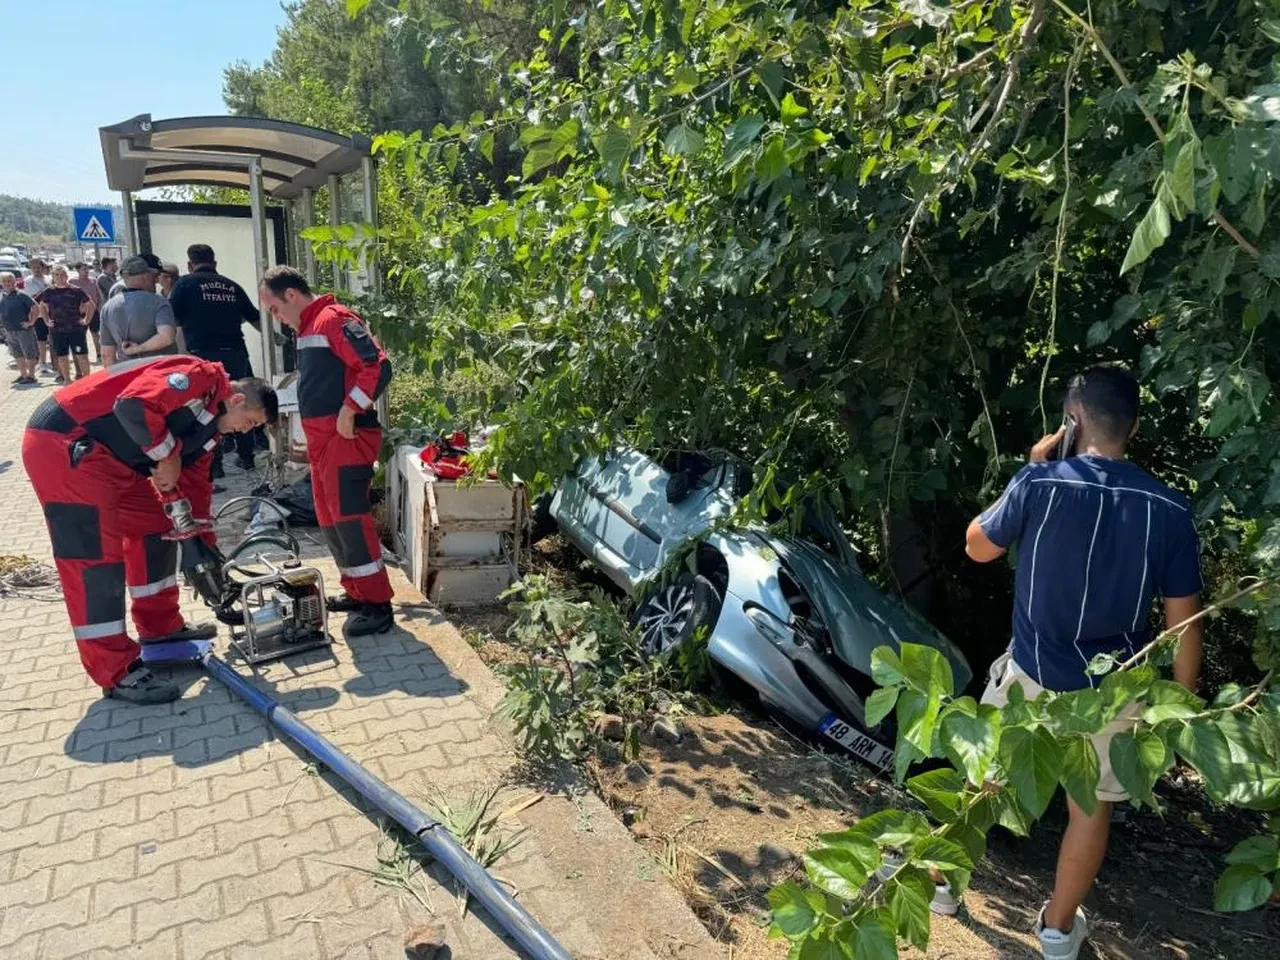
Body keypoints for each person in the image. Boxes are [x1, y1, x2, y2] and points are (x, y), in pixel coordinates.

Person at [965, 366, 1204, 960]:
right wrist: (1177, 715)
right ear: (1136, 427)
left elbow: (976, 546)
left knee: (984, 782)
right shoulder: (1169, 510)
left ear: (1072, 422)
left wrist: (1031, 466)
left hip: (1029, 671)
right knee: (1089, 807)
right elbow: (1185, 626)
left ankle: (942, 883)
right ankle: (1056, 929)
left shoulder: (1040, 483)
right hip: (1113, 689)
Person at [22, 356, 278, 704]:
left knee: (157, 526)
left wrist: (204, 547)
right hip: (66, 443)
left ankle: (160, 628)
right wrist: (168, 454)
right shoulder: (198, 377)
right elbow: (133, 405)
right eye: (249, 422)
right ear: (236, 400)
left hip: (114, 459)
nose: (246, 432)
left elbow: (194, 490)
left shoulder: (209, 432)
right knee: (96, 562)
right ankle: (115, 671)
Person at [258, 266, 395, 636]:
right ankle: (357, 589)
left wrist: (351, 409)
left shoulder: (333, 319)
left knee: (350, 520)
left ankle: (378, 606)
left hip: (345, 441)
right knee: (332, 520)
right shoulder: (310, 328)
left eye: (274, 309)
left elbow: (377, 367)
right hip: (326, 444)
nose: (277, 319)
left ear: (291, 295)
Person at [169, 244, 263, 474]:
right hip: (235, 352)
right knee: (242, 401)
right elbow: (256, 319)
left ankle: (215, 464)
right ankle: (247, 457)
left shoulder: (184, 285)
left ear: (190, 265)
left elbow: (171, 322)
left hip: (202, 357)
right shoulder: (231, 286)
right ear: (215, 263)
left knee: (208, 407)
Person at [98, 256, 178, 366]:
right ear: (146, 276)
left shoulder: (107, 308)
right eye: (154, 277)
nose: (156, 281)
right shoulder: (159, 302)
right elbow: (167, 337)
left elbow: (106, 354)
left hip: (129, 373)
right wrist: (138, 349)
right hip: (160, 370)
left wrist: (114, 380)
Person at [34, 264, 95, 383]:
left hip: (76, 329)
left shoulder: (76, 290)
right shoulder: (49, 291)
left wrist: (86, 320)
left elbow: (90, 305)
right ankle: (67, 380)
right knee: (62, 356)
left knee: (81, 355)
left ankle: (87, 380)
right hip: (58, 330)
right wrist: (46, 320)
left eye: (62, 275)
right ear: (53, 277)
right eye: (56, 275)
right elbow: (40, 305)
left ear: (66, 276)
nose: (60, 277)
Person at [1, 271, 39, 384]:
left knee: (29, 353)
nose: (7, 283)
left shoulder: (21, 295)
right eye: (4, 282)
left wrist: (31, 322)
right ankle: (23, 375)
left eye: (9, 281)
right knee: (17, 354)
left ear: (14, 282)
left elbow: (35, 307)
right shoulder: (2, 297)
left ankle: (31, 376)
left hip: (23, 330)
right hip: (9, 331)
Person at [70, 262, 105, 364]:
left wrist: (98, 308)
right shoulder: (73, 282)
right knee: (81, 334)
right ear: (78, 270)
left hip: (93, 311)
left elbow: (100, 296)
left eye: (87, 269)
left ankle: (99, 354)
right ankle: (82, 355)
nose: (86, 272)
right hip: (79, 313)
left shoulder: (93, 281)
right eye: (83, 269)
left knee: (95, 333)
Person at [25, 258, 53, 376]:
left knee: (53, 339)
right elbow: (34, 298)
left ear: (43, 268)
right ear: (31, 269)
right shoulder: (28, 281)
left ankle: (55, 362)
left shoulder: (49, 279)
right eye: (34, 267)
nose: (36, 270)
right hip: (39, 316)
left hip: (51, 313)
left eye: (38, 267)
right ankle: (43, 363)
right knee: (41, 340)